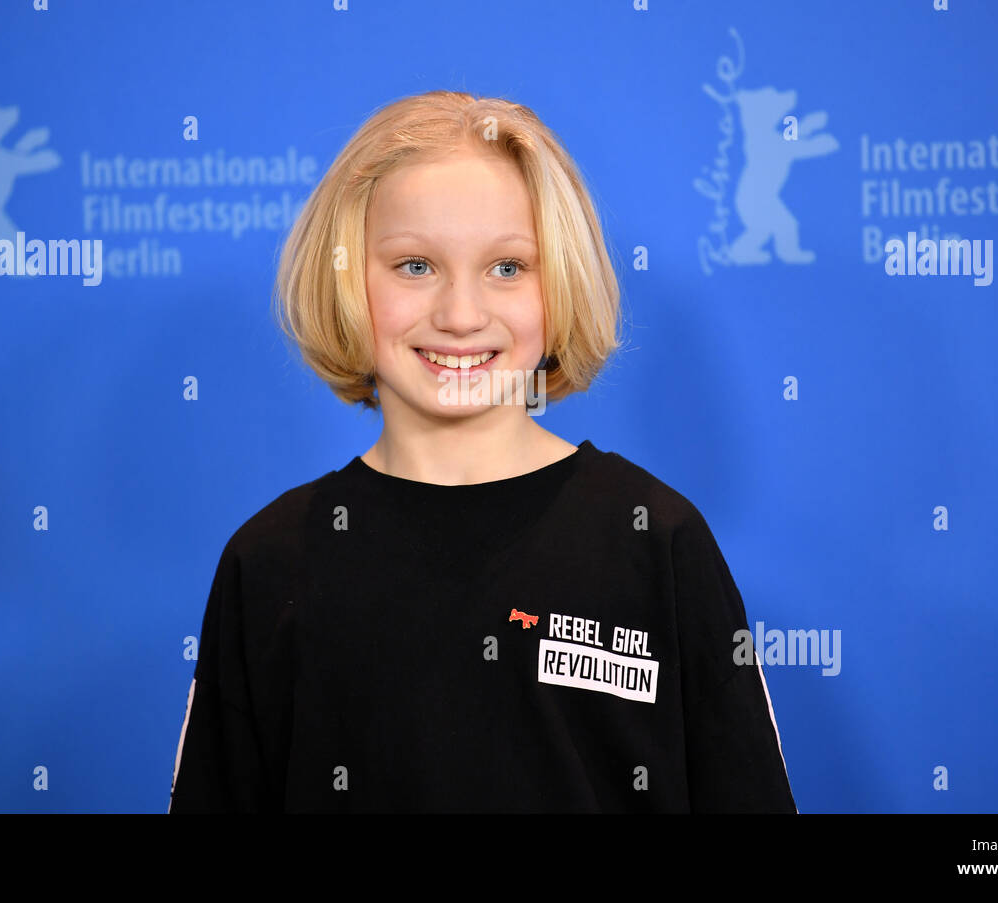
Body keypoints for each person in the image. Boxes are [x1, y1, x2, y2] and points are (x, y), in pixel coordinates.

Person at [168, 90, 796, 813]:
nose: (461, 315)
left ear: (558, 282)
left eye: (507, 267)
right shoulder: (269, 561)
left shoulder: (657, 541)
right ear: (345, 278)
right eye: (413, 266)